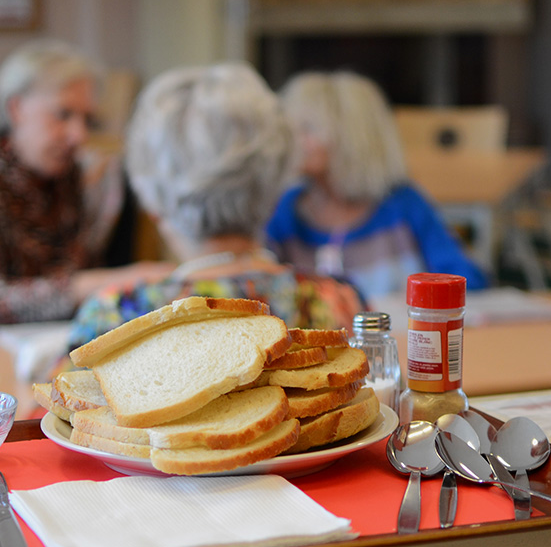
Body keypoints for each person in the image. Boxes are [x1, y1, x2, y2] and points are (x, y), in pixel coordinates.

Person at [66, 62, 363, 350]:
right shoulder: (335, 302)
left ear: (153, 199)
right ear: (275, 185)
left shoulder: (114, 316)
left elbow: (58, 399)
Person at [0, 39, 159, 334]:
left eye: (87, 120)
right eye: (63, 115)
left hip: (47, 342)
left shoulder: (68, 175)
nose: (79, 135)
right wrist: (87, 285)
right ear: (16, 109)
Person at [265, 70, 487, 300]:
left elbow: (466, 282)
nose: (293, 141)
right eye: (291, 129)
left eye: (307, 130)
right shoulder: (285, 211)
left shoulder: (404, 205)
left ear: (351, 138)